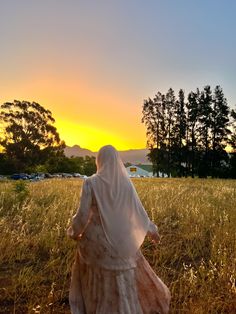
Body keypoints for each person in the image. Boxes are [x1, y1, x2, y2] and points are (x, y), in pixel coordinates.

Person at [67, 145, 171, 314]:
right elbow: (138, 213)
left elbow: (82, 216)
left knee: (97, 279)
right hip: (122, 242)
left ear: (99, 160)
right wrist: (152, 230)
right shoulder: (126, 185)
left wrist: (73, 232)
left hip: (96, 245)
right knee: (123, 281)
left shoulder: (90, 183)